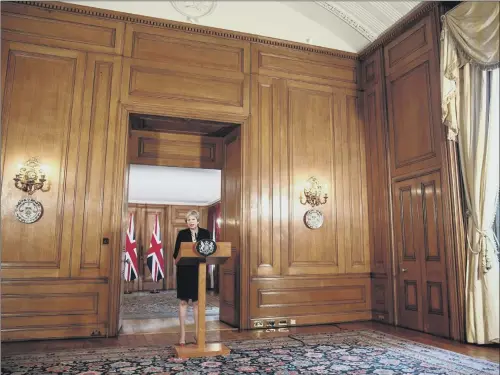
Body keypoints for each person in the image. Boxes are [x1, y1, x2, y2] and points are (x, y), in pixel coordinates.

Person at [173, 210, 211, 346]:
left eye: (193, 219)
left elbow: (210, 250)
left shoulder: (205, 233)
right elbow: (175, 254)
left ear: (198, 221)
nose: (190, 222)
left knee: (196, 303)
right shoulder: (182, 234)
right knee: (183, 302)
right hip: (184, 271)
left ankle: (197, 334)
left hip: (198, 271)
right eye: (188, 220)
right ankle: (182, 335)